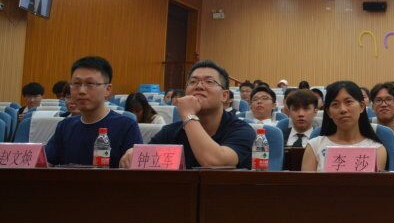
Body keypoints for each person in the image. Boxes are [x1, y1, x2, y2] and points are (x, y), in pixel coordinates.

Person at [122, 60, 254, 169]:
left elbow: (214, 162)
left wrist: (188, 115)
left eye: (209, 82)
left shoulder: (242, 131)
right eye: (193, 82)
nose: (199, 86)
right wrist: (133, 155)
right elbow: (145, 159)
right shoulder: (170, 132)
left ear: (224, 96)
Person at [46, 56, 141, 168]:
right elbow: (45, 164)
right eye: (76, 84)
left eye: (90, 84)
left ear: (108, 90)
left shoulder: (126, 126)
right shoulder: (64, 126)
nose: (81, 91)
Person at [302, 81, 386, 172]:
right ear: (329, 112)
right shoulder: (315, 146)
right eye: (335, 104)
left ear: (362, 106)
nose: (343, 109)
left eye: (348, 102)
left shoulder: (377, 149)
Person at [370, 83, 394, 160]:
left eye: (389, 99)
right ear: (372, 107)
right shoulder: (365, 138)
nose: (383, 105)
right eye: (378, 100)